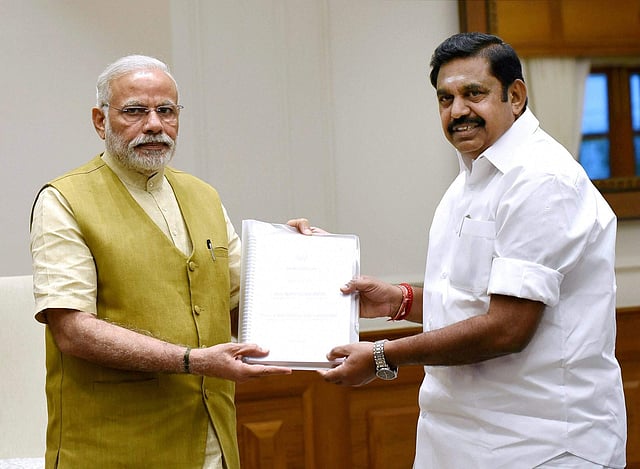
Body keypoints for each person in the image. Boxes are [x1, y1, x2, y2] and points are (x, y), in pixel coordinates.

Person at [291, 32, 627, 468]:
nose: (458, 111)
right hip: (458, 436)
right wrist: (398, 300)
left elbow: (508, 328)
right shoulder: (470, 178)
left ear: (515, 96)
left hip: (542, 443)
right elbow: (471, 301)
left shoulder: (542, 179)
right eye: (445, 99)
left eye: (474, 93)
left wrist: (382, 356)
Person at [30, 55, 293, 469]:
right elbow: (72, 331)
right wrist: (191, 360)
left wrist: (296, 255)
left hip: (213, 441)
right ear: (100, 121)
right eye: (135, 111)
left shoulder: (204, 195)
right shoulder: (63, 200)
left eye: (166, 111)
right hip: (114, 448)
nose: (154, 124)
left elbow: (244, 306)